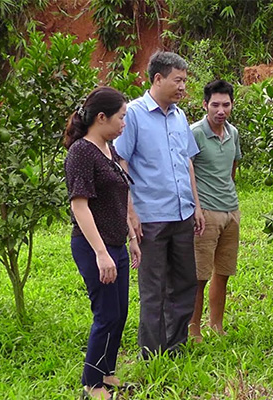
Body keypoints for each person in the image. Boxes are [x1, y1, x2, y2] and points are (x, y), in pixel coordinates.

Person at [114, 51, 205, 359]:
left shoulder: (180, 116)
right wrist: (130, 213)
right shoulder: (135, 114)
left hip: (182, 213)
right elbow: (121, 162)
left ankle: (175, 346)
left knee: (185, 283)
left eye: (185, 81)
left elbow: (187, 162)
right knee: (153, 289)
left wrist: (197, 205)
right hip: (150, 217)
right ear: (158, 79)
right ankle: (151, 354)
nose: (183, 87)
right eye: (178, 80)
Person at [64, 86, 141, 400]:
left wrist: (132, 238)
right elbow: (79, 205)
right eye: (121, 117)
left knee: (120, 312)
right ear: (101, 117)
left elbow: (116, 199)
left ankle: (107, 373)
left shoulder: (110, 150)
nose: (124, 124)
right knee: (106, 315)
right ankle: (91, 384)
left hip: (117, 244)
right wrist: (101, 253)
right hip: (93, 246)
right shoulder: (81, 152)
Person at [188, 80, 242, 342]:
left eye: (226, 105)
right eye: (215, 105)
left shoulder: (233, 133)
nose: (221, 110)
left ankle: (216, 325)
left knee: (224, 271)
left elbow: (232, 169)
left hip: (231, 211)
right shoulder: (195, 133)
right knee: (199, 276)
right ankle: (193, 327)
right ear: (204, 105)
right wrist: (196, 207)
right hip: (206, 212)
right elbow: (187, 173)